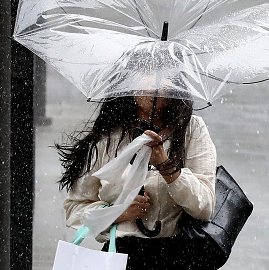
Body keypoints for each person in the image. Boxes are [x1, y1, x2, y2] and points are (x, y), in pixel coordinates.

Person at [56, 94, 217, 270]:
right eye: (144, 76)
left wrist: (166, 166)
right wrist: (118, 212)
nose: (151, 89)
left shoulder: (191, 129)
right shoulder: (109, 134)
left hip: (177, 255)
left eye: (160, 78)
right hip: (121, 256)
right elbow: (75, 208)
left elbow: (205, 205)